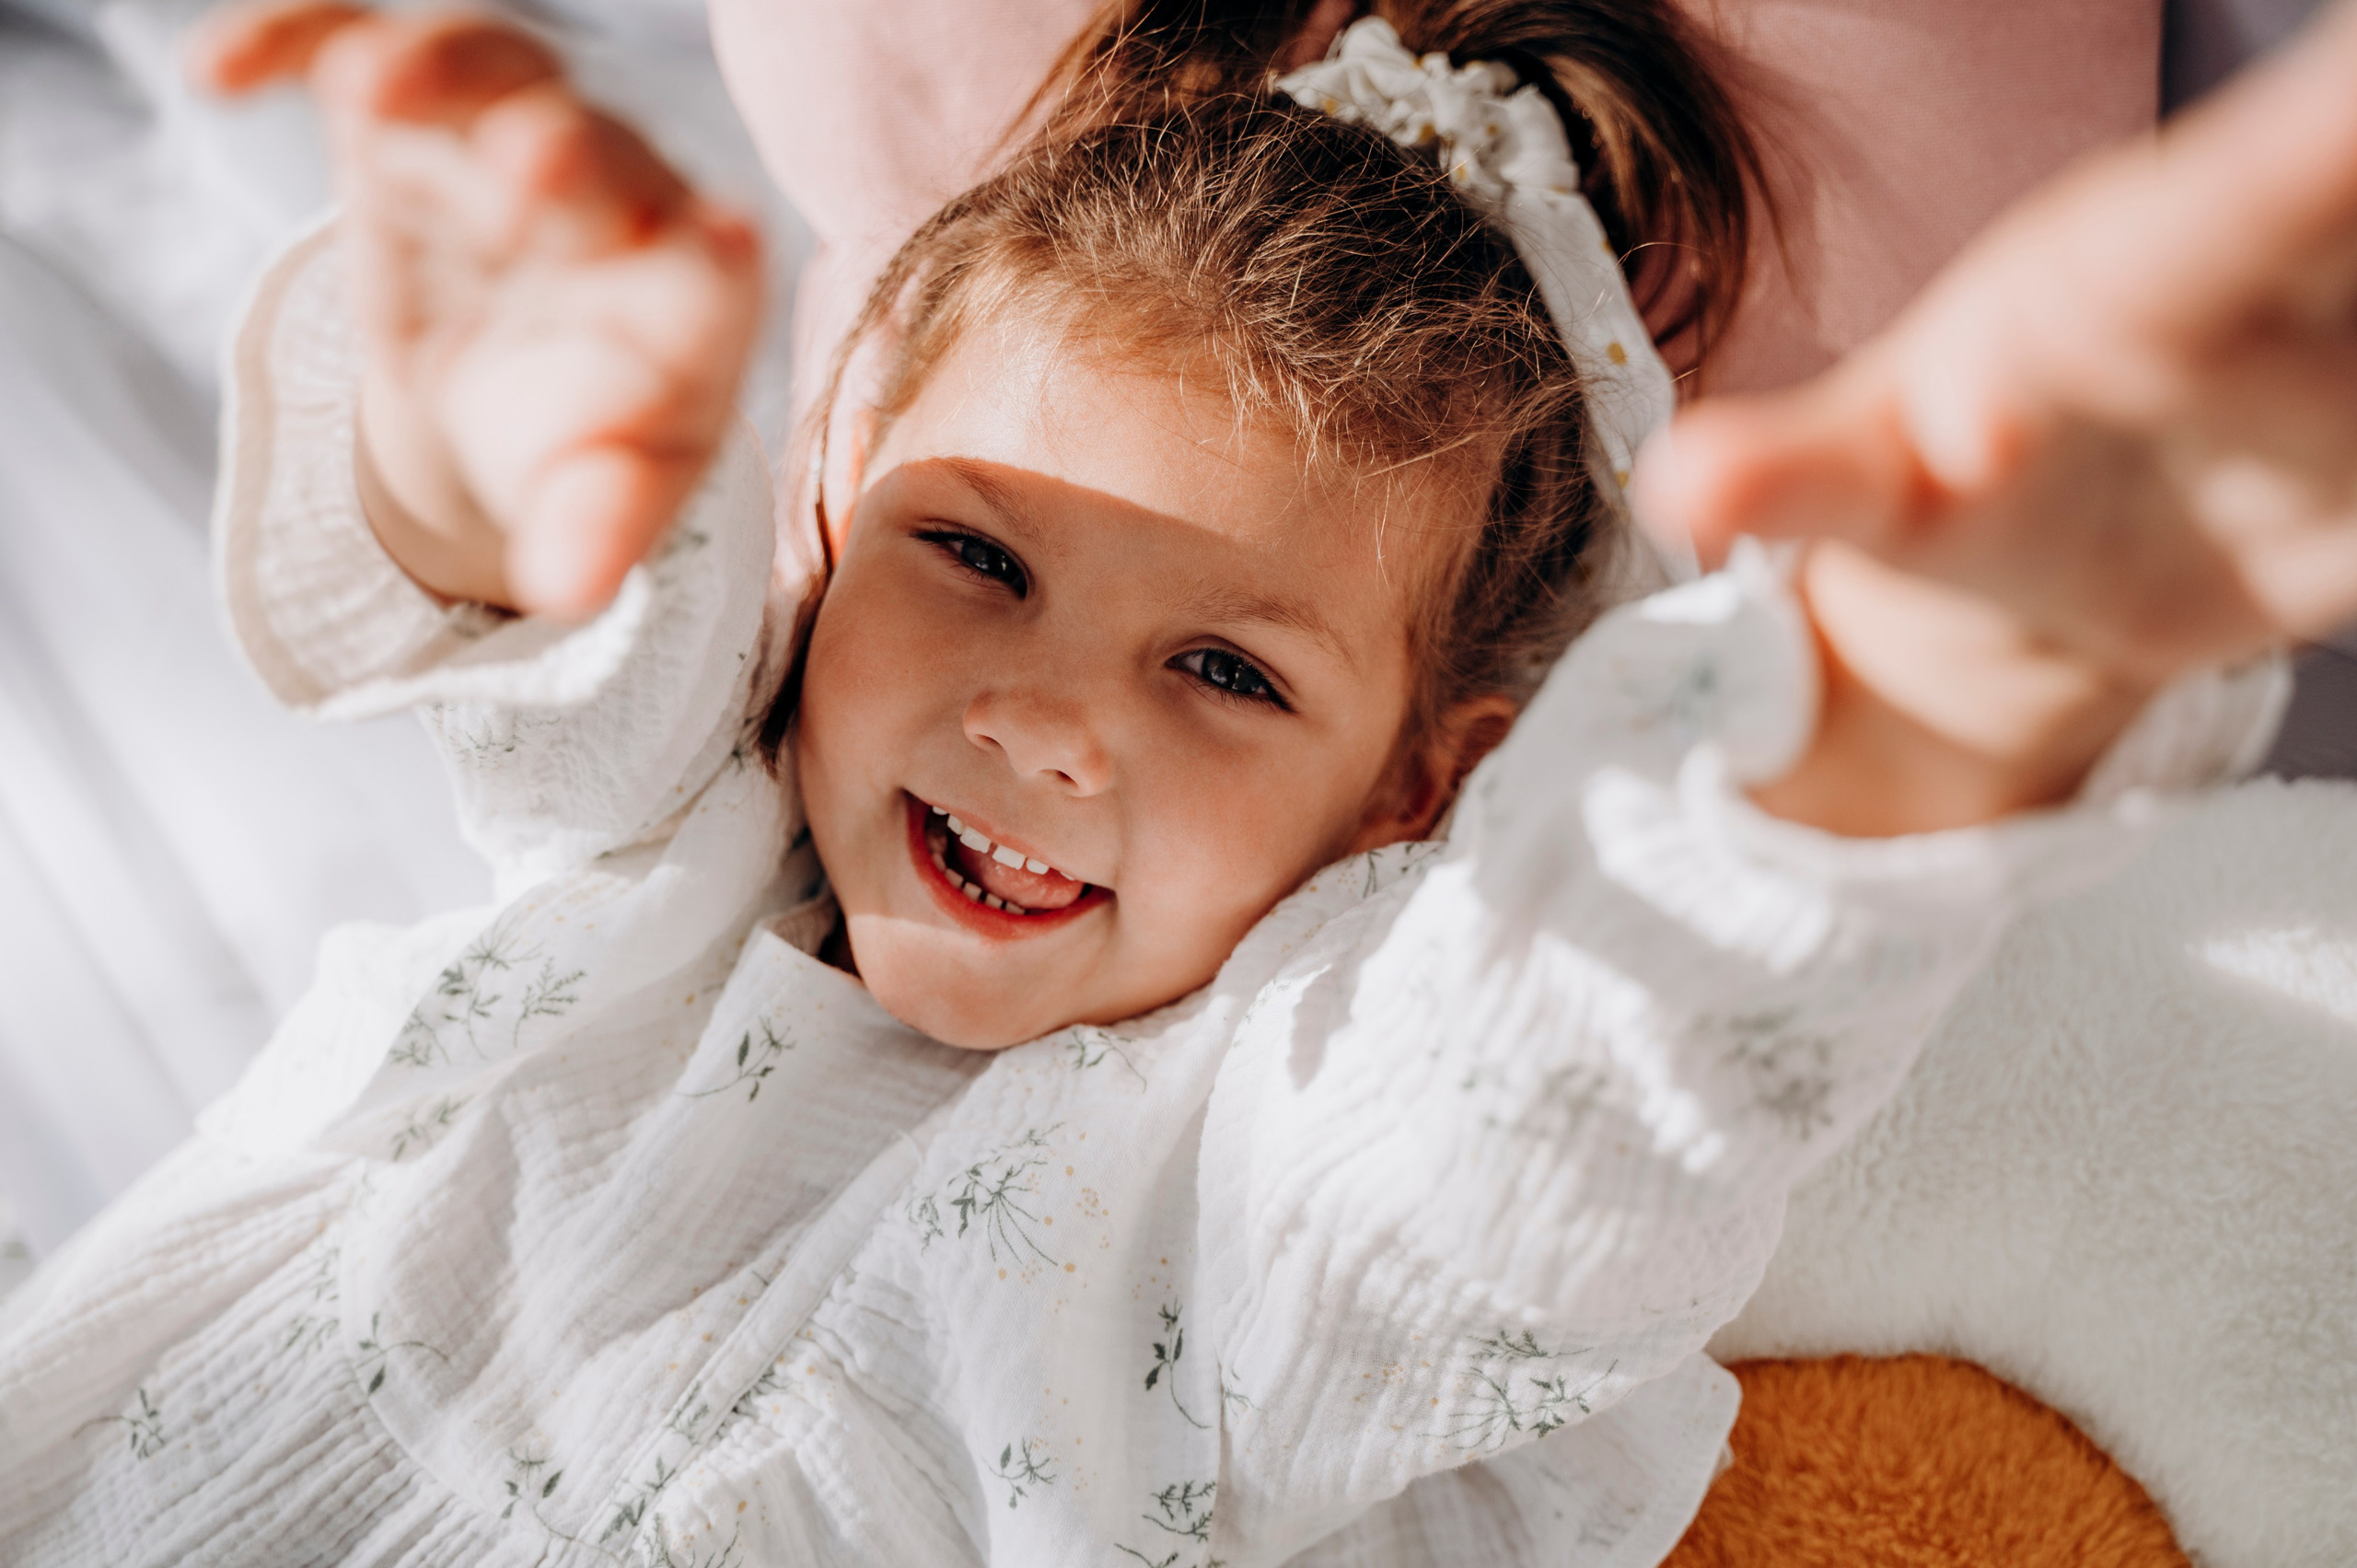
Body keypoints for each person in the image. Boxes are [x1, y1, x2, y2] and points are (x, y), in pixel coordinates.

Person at [0, 2, 2346, 1565]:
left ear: (1424, 790)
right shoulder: (671, 845)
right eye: (976, 555)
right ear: (839, 512)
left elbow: (1556, 1091)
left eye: (1223, 668)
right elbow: (552, 636)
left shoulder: (1249, 1155)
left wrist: (1950, 663)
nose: (1043, 718)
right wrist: (478, 433)